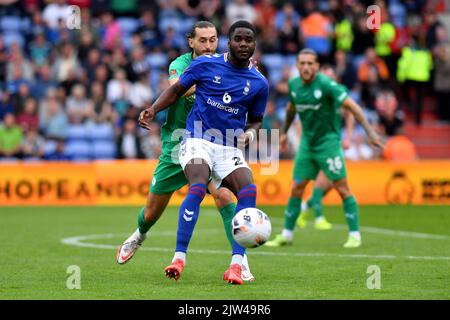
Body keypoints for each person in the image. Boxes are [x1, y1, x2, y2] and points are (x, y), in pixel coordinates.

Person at [116, 21, 259, 283]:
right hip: (177, 140)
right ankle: (139, 234)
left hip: (216, 139)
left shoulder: (223, 64)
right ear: (191, 42)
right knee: (151, 211)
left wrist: (239, 75)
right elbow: (178, 87)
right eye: (202, 40)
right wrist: (225, 80)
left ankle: (241, 260)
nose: (208, 46)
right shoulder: (181, 64)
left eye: (213, 40)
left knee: (225, 198)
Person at [265, 49, 383, 249]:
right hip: (307, 145)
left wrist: (370, 133)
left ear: (317, 66)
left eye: (310, 63)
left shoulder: (327, 85)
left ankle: (355, 235)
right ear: (297, 65)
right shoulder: (293, 85)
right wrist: (284, 133)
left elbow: (352, 107)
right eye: (302, 63)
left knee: (342, 188)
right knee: (296, 187)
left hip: (328, 143)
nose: (306, 67)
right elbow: (291, 109)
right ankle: (286, 234)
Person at [296, 64, 355, 231]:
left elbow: (350, 112)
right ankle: (319, 217)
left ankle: (304, 208)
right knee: (324, 181)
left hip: (332, 142)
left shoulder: (339, 92)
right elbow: (301, 119)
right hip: (317, 144)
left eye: (329, 76)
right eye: (324, 75)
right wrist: (304, 143)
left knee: (329, 184)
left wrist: (348, 137)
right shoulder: (312, 93)